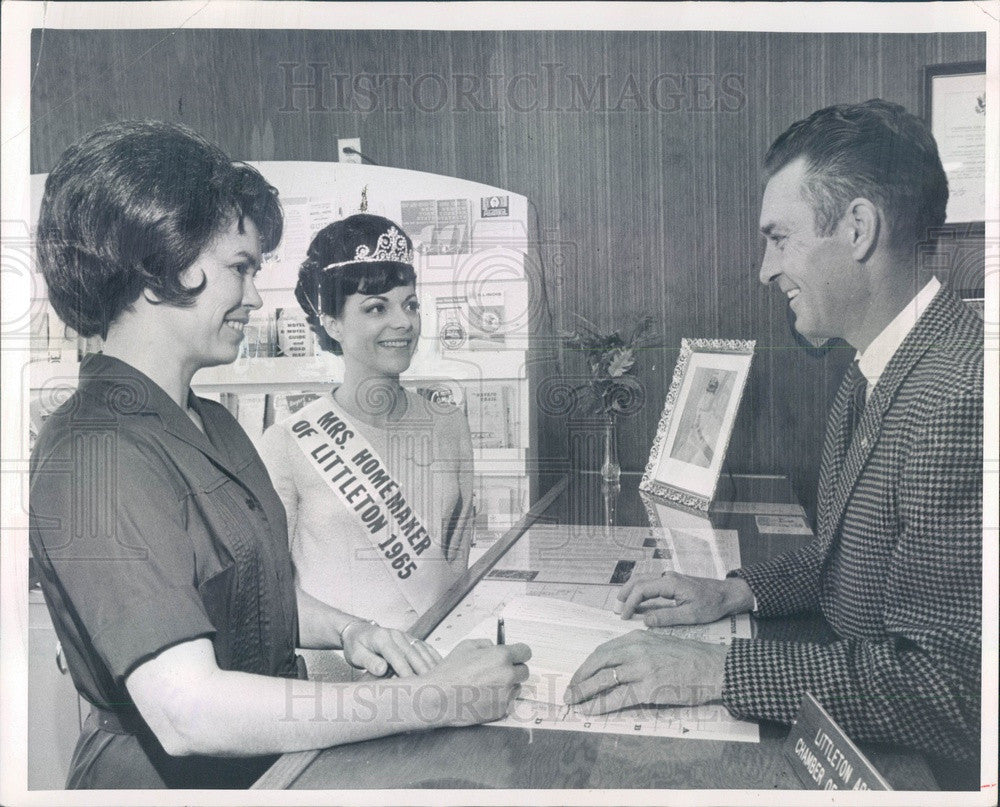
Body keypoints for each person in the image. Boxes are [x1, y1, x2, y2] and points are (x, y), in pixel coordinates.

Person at [29, 121, 529, 789]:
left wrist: (352, 630)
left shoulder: (209, 424)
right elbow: (189, 709)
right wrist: (434, 696)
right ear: (158, 270)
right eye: (240, 267)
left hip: (272, 766)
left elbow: (251, 600)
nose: (257, 295)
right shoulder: (96, 452)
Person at [566, 100, 983, 779]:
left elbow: (951, 688)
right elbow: (843, 556)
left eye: (779, 238)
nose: (764, 269)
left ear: (857, 229)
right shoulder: (873, 363)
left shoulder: (960, 398)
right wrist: (732, 592)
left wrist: (719, 665)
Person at [259, 214, 474, 635]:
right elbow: (270, 596)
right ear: (332, 323)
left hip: (435, 661)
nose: (404, 322)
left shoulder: (449, 425)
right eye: (377, 307)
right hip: (339, 674)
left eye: (409, 304)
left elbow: (457, 567)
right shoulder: (286, 443)